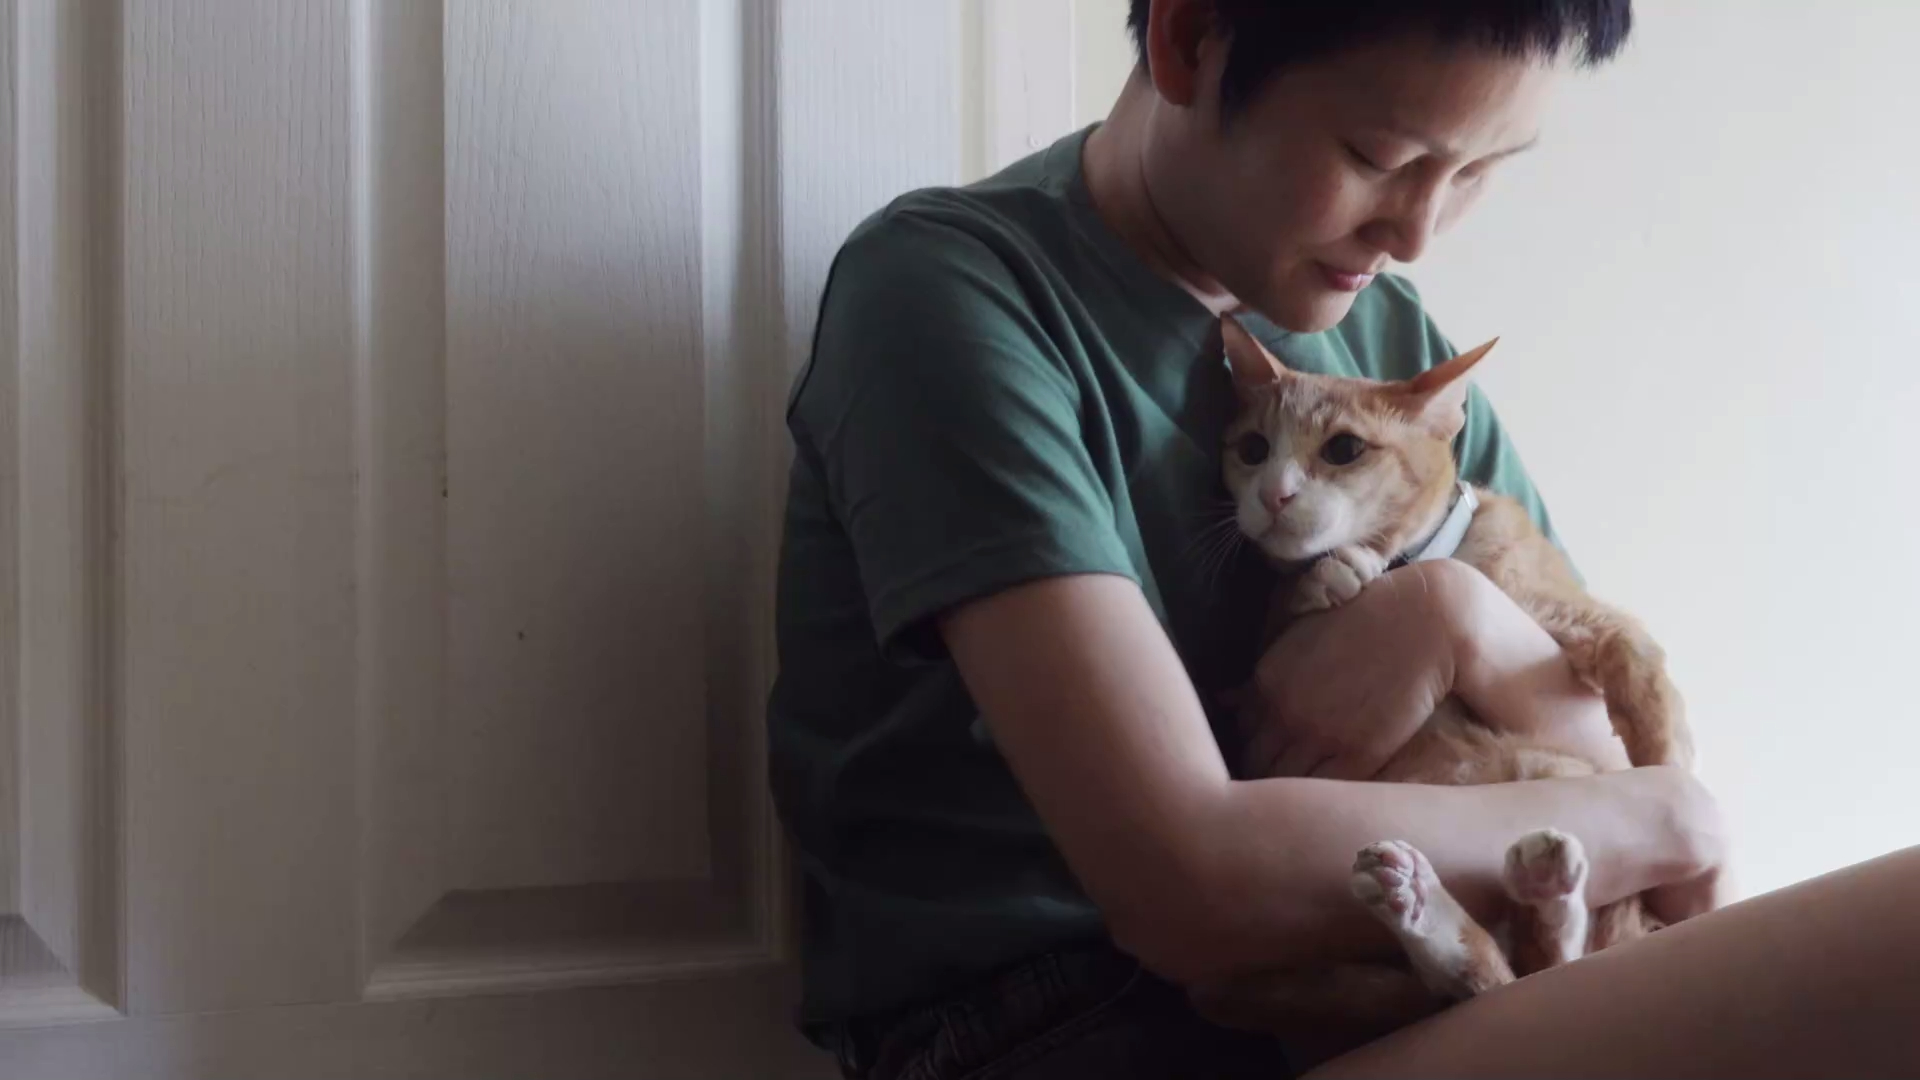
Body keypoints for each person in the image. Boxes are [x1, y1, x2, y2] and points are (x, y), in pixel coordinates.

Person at [767, 1, 1920, 1076]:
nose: (1417, 233)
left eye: (1479, 172)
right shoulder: (954, 295)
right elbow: (1185, 884)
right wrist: (1676, 817)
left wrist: (1452, 620)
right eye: (1380, 157)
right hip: (1079, 1016)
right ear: (1190, 39)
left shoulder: (1386, 341)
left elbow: (1597, 755)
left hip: (1447, 972)